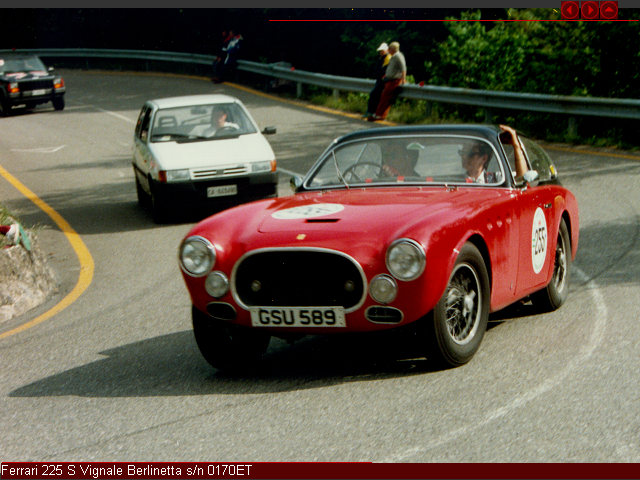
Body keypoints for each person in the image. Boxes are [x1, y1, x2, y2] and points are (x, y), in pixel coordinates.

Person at [369, 41, 406, 121]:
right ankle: (380, 115)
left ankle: (379, 115)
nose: (388, 50)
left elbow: (403, 68)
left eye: (389, 48)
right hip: (389, 79)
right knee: (385, 97)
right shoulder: (393, 56)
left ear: (393, 49)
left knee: (385, 97)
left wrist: (403, 79)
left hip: (394, 80)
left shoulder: (398, 56)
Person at [363, 42, 391, 119]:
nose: (381, 52)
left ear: (386, 50)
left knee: (373, 95)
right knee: (375, 96)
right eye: (380, 51)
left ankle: (371, 112)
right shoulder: (382, 58)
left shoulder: (388, 58)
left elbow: (384, 70)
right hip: (379, 80)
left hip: (382, 81)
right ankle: (372, 112)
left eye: (382, 50)